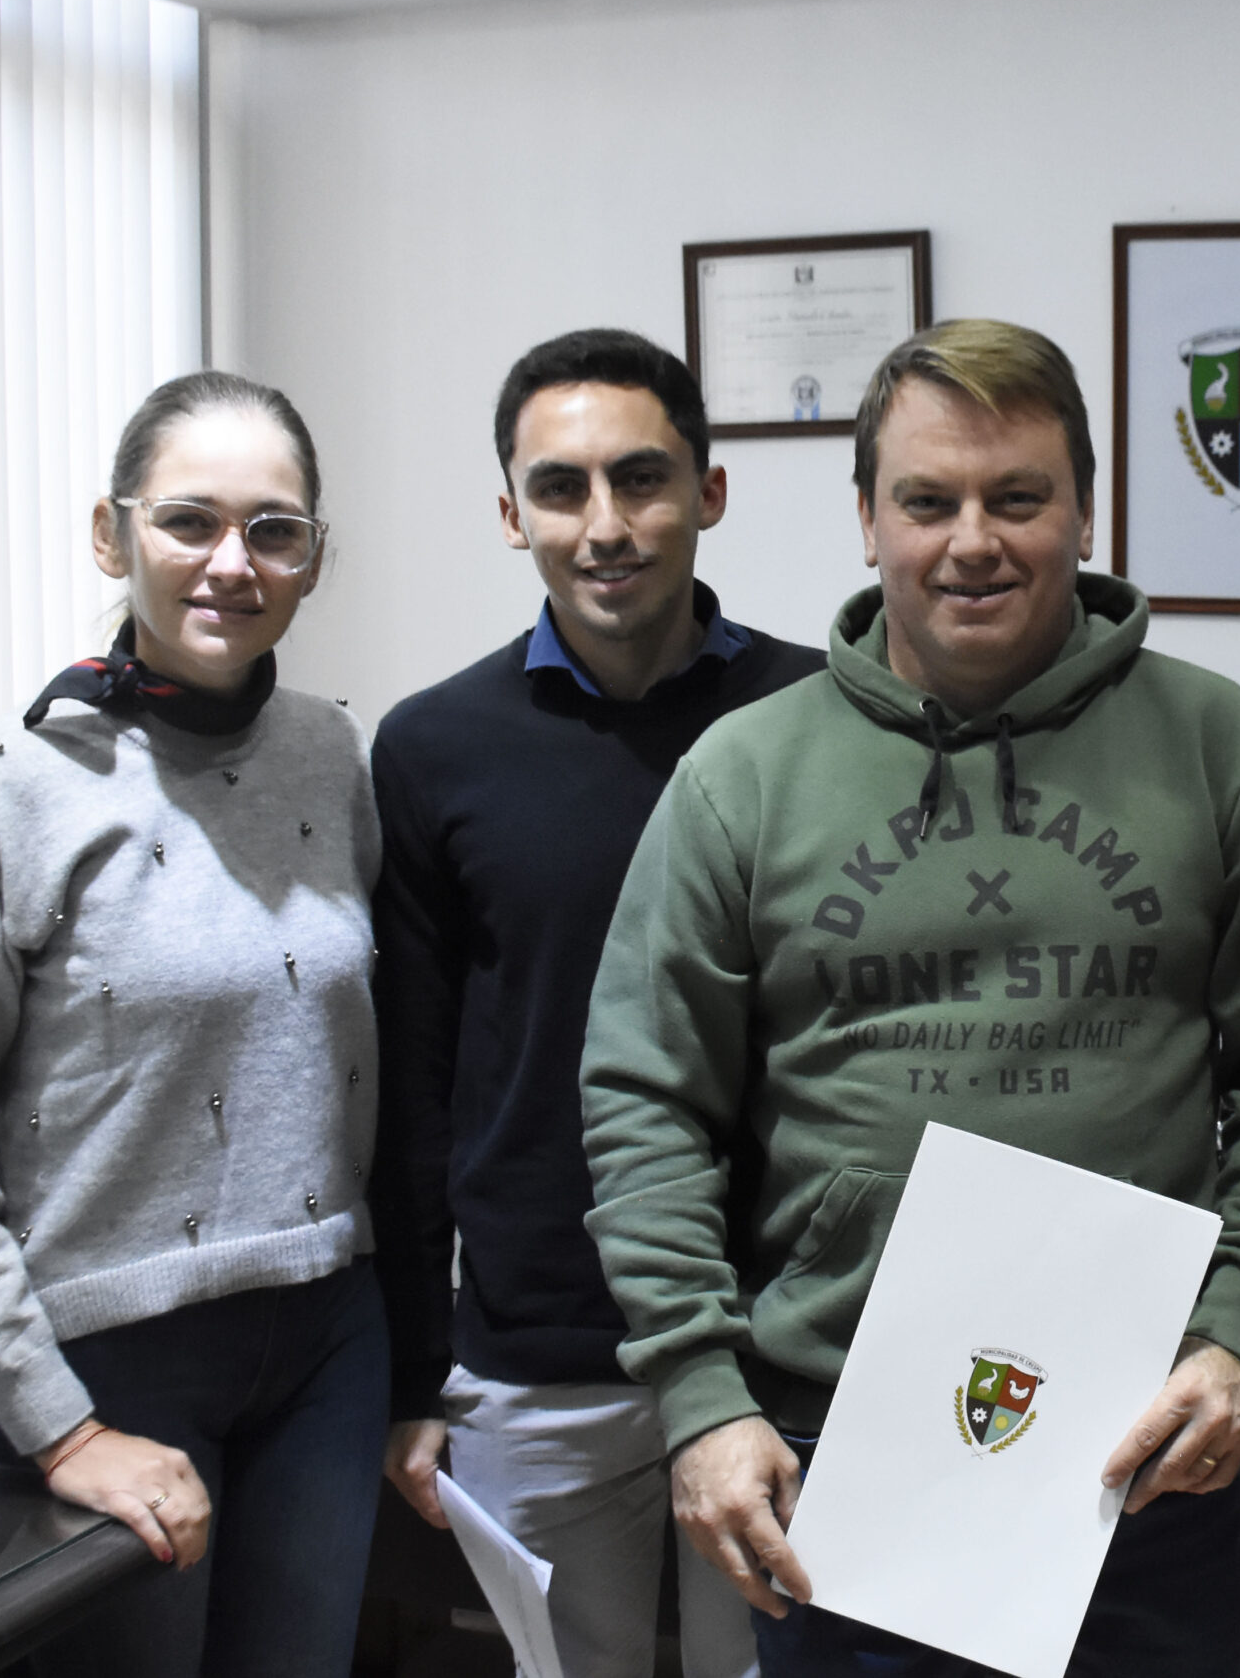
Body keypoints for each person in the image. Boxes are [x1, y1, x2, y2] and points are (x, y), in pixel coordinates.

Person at [577, 317, 1240, 1676]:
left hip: (1142, 1435)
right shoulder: (743, 775)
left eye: (1018, 497)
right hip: (838, 1433)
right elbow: (648, 1102)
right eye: (928, 501)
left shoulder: (1217, 746)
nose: (973, 542)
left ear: (1085, 510)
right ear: (866, 519)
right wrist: (699, 1394)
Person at [368, 328, 821, 1678]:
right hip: (538, 1347)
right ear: (513, 514)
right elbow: (415, 1085)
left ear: (710, 491)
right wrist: (415, 1373)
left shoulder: (819, 713)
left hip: (779, 1331)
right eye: (561, 489)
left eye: (642, 478)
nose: (605, 524)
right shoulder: (433, 747)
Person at [0, 372, 384, 1676]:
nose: (233, 562)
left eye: (274, 530)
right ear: (109, 533)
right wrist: (62, 1430)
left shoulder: (332, 751)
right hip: (101, 1369)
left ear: (311, 558)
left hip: (328, 1346)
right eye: (190, 520)